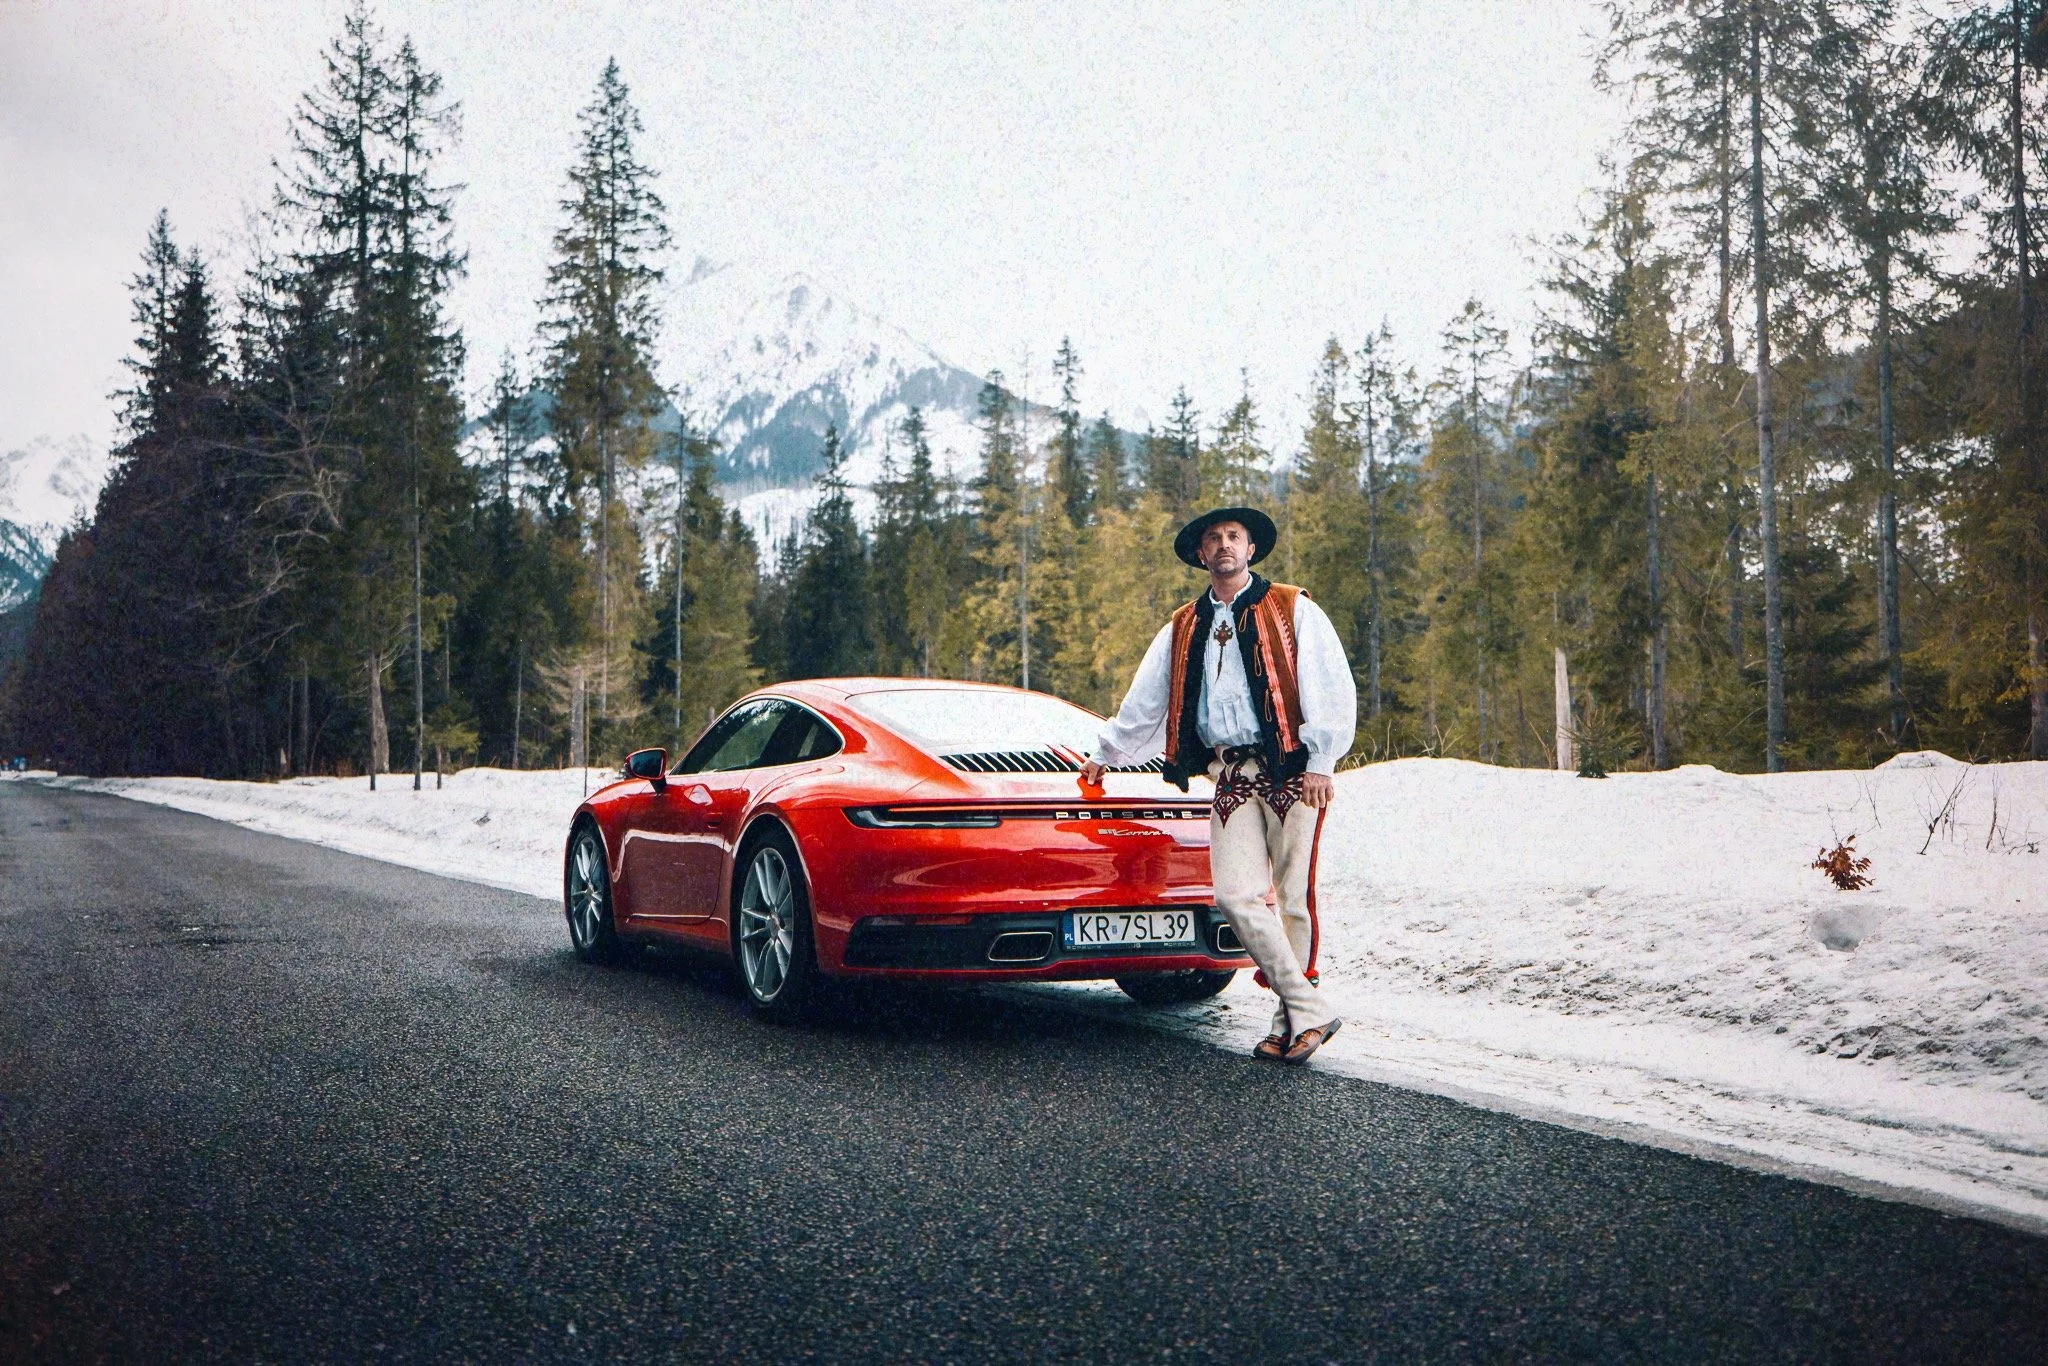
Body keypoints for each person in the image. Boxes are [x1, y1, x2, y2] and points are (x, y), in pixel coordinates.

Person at [1082, 507, 1356, 1064]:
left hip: (1292, 769)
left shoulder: (1292, 608)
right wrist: (1106, 755)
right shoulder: (1183, 626)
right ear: (1201, 555)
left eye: (1234, 537)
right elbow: (1146, 703)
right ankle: (1310, 1006)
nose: (1225, 545)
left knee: (1295, 901)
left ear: (1250, 549)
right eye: (1214, 539)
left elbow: (1329, 682)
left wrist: (1323, 761)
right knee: (1234, 896)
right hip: (1230, 774)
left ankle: (1290, 1024)